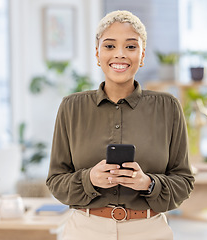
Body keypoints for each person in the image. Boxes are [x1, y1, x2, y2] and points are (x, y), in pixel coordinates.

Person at [46, 10, 194, 240]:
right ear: (97, 54)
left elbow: (184, 182)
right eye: (110, 46)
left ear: (142, 55)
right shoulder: (71, 107)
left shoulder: (168, 107)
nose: (120, 54)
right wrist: (90, 180)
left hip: (149, 231)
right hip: (85, 231)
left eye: (131, 47)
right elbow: (56, 181)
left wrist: (148, 183)